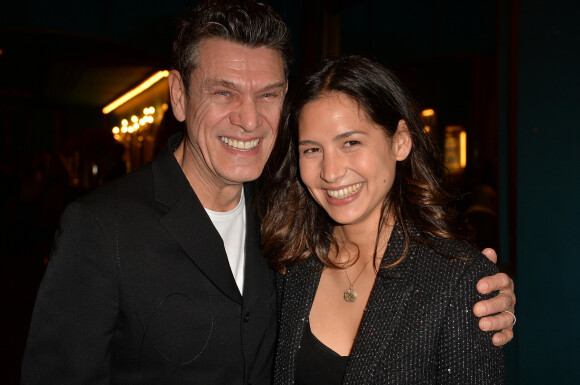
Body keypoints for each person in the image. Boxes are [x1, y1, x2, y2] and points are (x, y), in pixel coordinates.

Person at [21, 1, 514, 383]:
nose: (249, 119)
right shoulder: (101, 227)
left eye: (269, 95)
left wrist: (474, 292)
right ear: (178, 94)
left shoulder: (288, 224)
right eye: (223, 92)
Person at [259, 56, 505, 384]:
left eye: (351, 142)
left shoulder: (458, 279)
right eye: (312, 150)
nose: (330, 172)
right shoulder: (289, 263)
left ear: (400, 141)